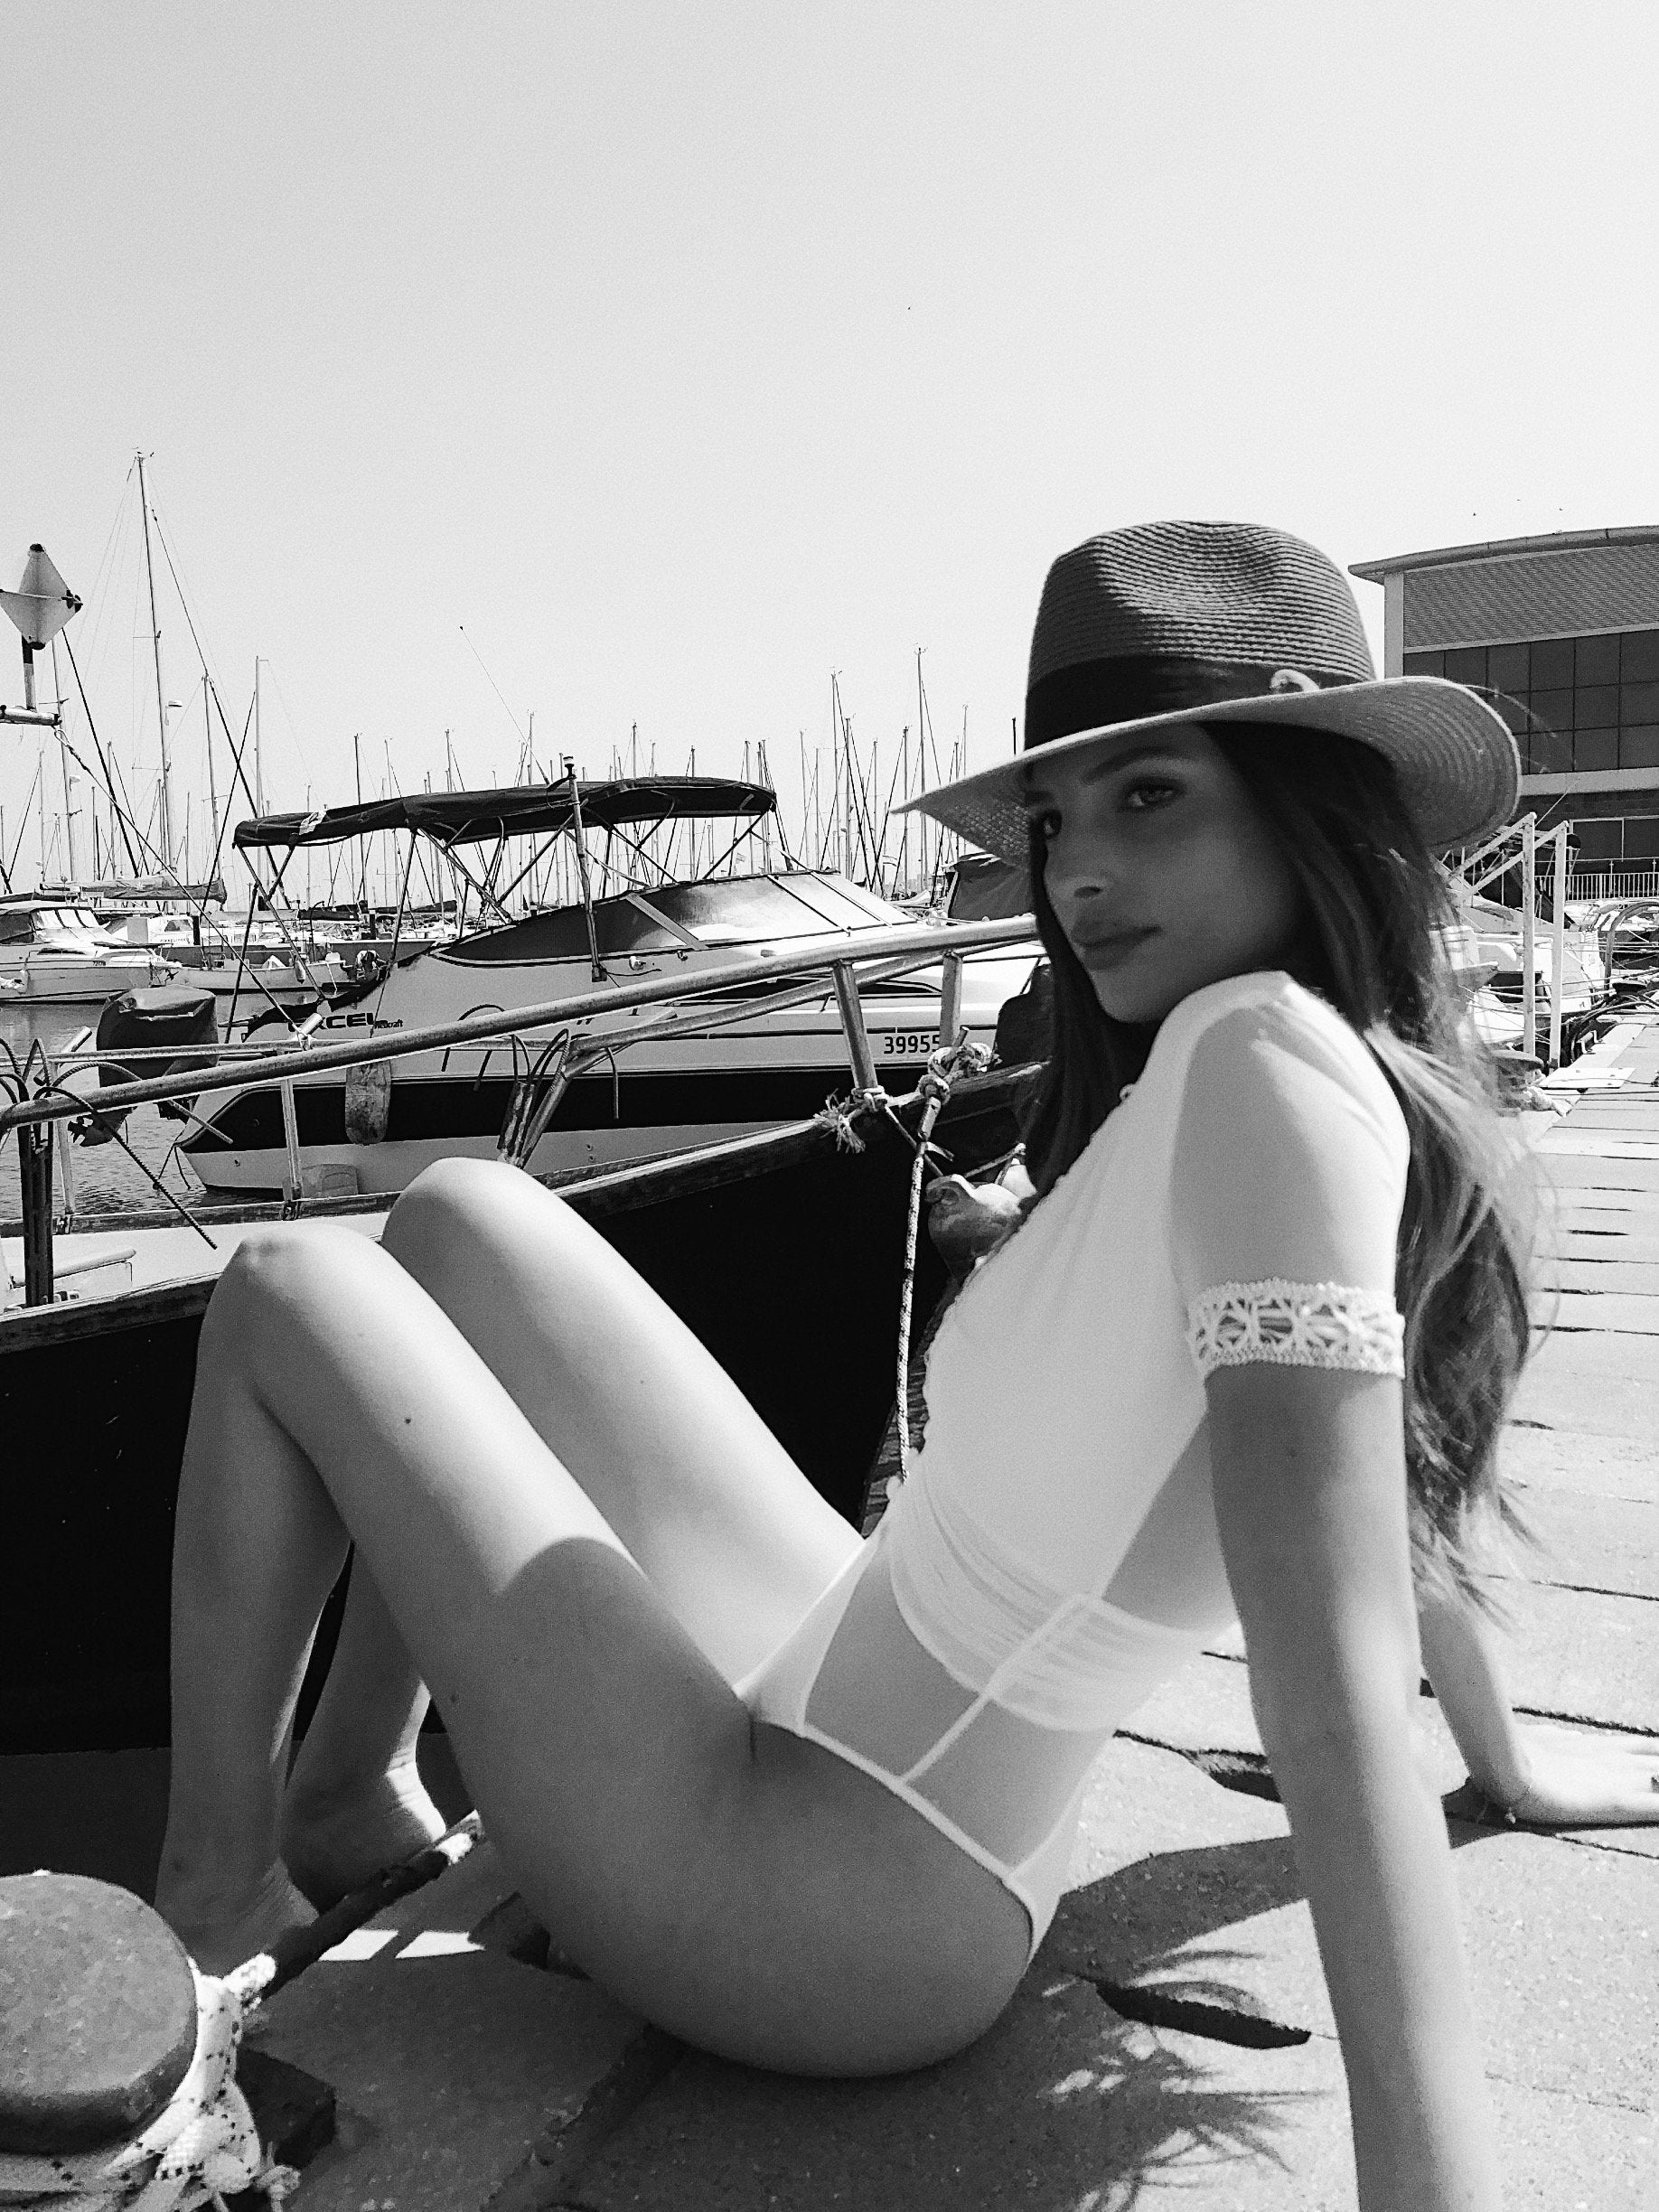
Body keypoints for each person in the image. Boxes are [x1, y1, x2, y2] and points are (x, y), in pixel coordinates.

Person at [156, 522, 1657, 2211]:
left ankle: (217, 1899)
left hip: (830, 1899)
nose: (1079, 872)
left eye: (1149, 795)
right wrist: (1510, 1765)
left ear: (1314, 802)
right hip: (867, 1684)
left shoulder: (1263, 1069)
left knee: (287, 1283)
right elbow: (1380, 1474)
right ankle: (353, 1794)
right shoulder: (1256, 1058)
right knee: (458, 1216)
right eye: (1058, 818)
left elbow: (1335, 1662)